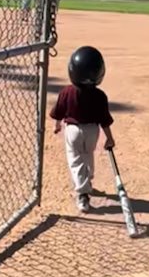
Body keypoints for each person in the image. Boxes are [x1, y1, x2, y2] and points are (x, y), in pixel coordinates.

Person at [50, 46, 116, 213]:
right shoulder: (100, 96)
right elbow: (105, 120)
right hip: (93, 131)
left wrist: (57, 124)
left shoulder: (66, 92)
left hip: (73, 131)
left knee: (76, 161)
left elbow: (59, 111)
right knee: (88, 156)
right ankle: (88, 182)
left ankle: (83, 195)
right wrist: (109, 138)